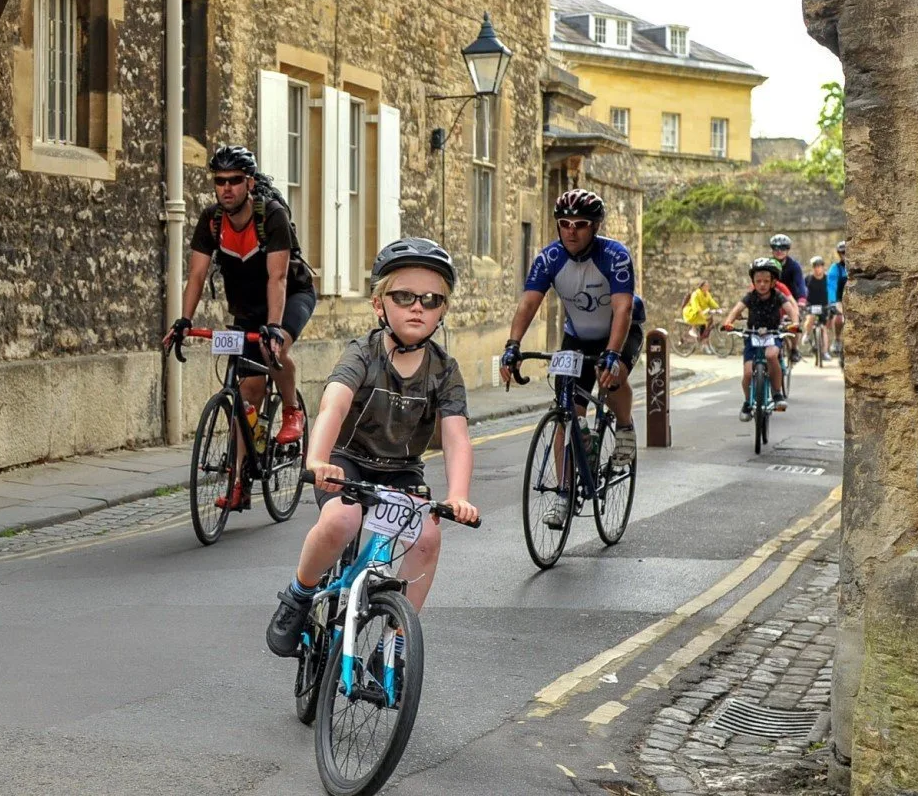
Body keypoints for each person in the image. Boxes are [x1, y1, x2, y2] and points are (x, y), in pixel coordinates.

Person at [264, 238, 481, 658]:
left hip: (401, 470)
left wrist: (458, 496)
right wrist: (318, 459)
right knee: (341, 520)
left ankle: (396, 642)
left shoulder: (445, 371)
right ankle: (298, 594)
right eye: (404, 296)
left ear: (442, 311)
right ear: (380, 304)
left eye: (431, 299)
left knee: (428, 537)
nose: (418, 306)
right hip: (346, 461)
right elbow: (335, 402)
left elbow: (456, 437)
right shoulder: (362, 354)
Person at [163, 146, 316, 511]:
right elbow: (197, 275)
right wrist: (184, 321)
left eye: (234, 181)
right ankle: (239, 481)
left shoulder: (271, 216)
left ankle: (292, 410)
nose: (226, 188)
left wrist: (275, 329)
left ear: (249, 182)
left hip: (291, 296)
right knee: (245, 397)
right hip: (246, 309)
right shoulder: (212, 221)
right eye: (220, 181)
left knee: (272, 351)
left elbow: (277, 278)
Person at [499, 189, 647, 481]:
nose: (571, 231)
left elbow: (623, 309)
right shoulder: (549, 258)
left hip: (620, 332)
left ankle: (625, 426)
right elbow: (529, 302)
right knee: (565, 415)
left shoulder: (615, 256)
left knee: (612, 378)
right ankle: (564, 493)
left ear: (595, 226)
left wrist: (612, 353)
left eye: (580, 224)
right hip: (577, 337)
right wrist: (513, 345)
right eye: (565, 223)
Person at [721, 258, 801, 420]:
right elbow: (737, 309)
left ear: (773, 282)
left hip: (772, 334)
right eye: (758, 281)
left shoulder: (778, 296)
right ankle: (747, 402)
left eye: (766, 281)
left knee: (771, 356)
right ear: (753, 282)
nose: (762, 284)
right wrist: (728, 322)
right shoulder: (750, 297)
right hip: (752, 336)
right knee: (748, 373)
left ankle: (777, 393)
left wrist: (795, 323)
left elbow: (790, 309)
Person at [769, 234, 807, 363]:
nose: (779, 251)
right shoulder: (767, 264)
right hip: (771, 299)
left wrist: (802, 299)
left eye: (783, 248)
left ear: (788, 250)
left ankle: (794, 349)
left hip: (791, 299)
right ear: (772, 250)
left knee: (793, 322)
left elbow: (800, 284)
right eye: (776, 248)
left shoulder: (794, 266)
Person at [804, 257, 834, 362]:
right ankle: (807, 334)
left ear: (823, 267)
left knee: (824, 329)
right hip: (811, 305)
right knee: (810, 318)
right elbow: (803, 292)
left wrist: (833, 303)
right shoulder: (808, 279)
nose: (817, 269)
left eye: (819, 266)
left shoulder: (828, 279)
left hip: (824, 306)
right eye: (815, 267)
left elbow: (833, 292)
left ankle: (825, 352)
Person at [680, 280, 720, 348]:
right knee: (702, 318)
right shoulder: (695, 294)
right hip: (691, 311)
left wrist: (718, 308)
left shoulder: (707, 294)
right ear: (701, 287)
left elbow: (711, 302)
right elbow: (695, 306)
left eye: (708, 285)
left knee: (706, 321)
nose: (708, 287)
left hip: (701, 311)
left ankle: (702, 340)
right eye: (706, 286)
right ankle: (692, 329)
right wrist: (701, 312)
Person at [830, 241, 849, 364]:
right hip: (840, 301)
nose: (844, 255)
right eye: (842, 252)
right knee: (838, 318)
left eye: (846, 252)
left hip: (855, 300)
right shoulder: (836, 268)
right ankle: (837, 339)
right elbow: (831, 285)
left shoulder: (857, 267)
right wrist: (832, 302)